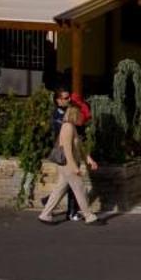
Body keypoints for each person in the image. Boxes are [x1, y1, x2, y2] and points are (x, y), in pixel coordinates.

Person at [36, 101, 100, 225]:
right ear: (76, 114)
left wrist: (89, 159)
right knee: (79, 188)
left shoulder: (73, 127)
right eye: (83, 116)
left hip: (69, 164)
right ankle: (89, 217)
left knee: (59, 189)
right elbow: (67, 151)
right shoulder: (67, 127)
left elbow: (80, 148)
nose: (85, 119)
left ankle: (45, 215)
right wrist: (74, 167)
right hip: (67, 164)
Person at [46, 88, 81, 220]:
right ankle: (72, 212)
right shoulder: (57, 115)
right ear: (58, 100)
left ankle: (48, 205)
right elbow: (65, 134)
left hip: (72, 151)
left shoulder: (69, 112)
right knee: (73, 184)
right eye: (66, 98)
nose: (69, 100)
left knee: (65, 184)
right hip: (65, 154)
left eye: (69, 97)